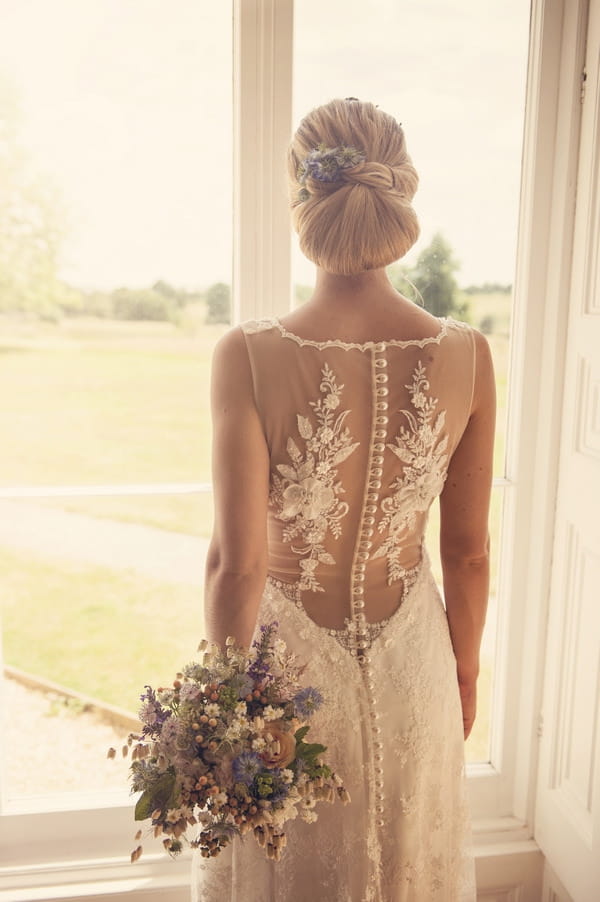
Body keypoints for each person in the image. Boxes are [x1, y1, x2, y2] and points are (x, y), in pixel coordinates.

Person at [193, 98, 495, 901]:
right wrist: (462, 675)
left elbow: (236, 565)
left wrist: (227, 714)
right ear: (398, 190)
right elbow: (467, 553)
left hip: (285, 677)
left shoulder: (249, 355)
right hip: (417, 668)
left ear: (304, 197)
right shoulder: (467, 353)